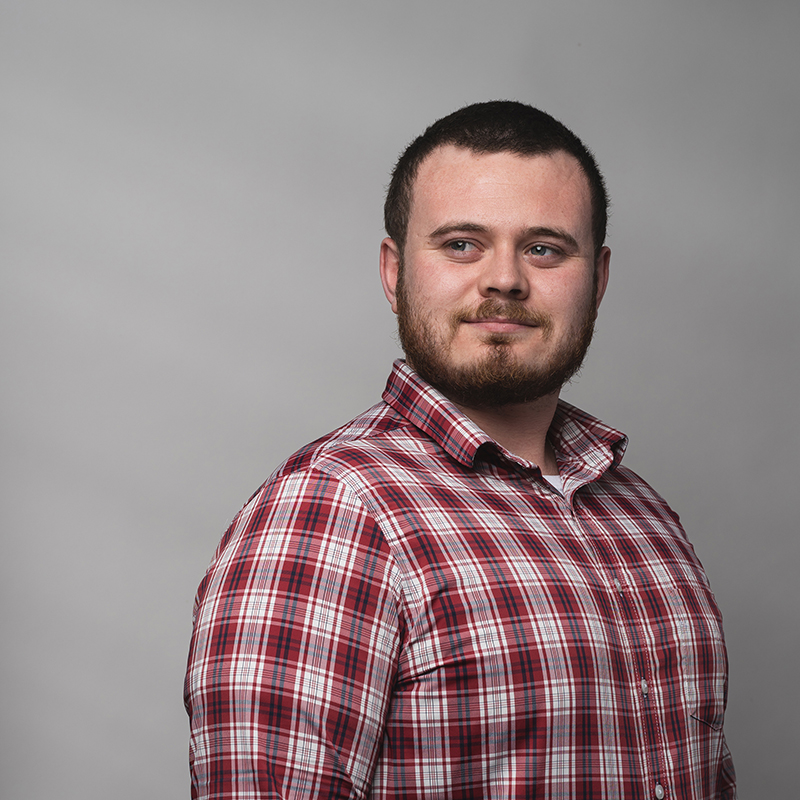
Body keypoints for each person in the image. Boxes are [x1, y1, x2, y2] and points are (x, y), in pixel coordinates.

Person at [185, 101, 736, 799]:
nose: (503, 279)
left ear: (596, 280)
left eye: (543, 248)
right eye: (461, 244)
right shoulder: (331, 512)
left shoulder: (646, 519)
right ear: (394, 272)